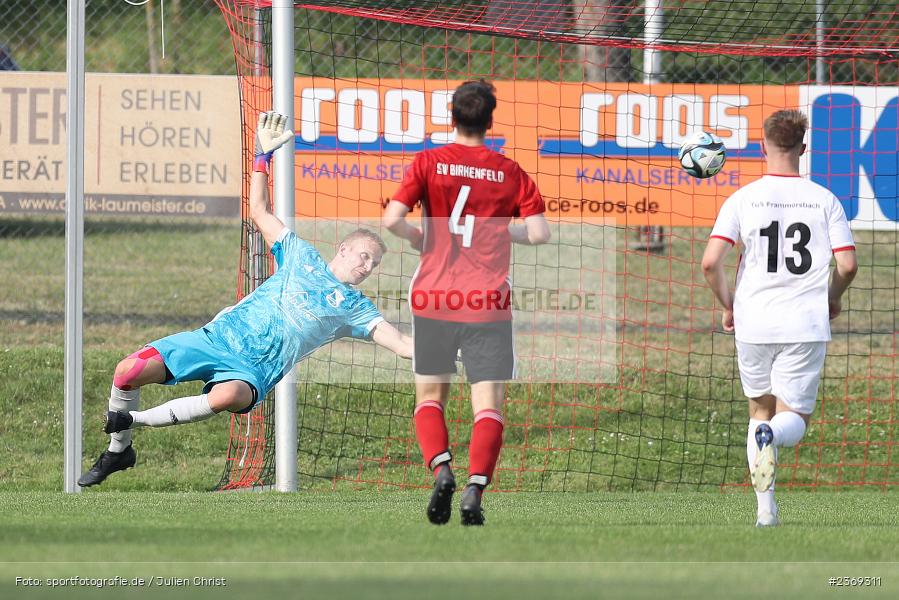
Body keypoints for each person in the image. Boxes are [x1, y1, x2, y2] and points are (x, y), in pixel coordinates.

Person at [79, 112, 412, 487]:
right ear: (343, 248)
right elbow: (259, 211)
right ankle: (118, 451)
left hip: (252, 372)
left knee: (230, 395)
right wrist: (261, 158)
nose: (368, 266)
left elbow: (400, 344)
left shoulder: (355, 308)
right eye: (364, 255)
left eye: (375, 263)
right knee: (128, 371)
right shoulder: (301, 256)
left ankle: (132, 420)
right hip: (215, 339)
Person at [383, 80, 550, 525]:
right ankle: (475, 488)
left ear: (451, 116)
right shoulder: (510, 170)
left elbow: (391, 219)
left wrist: (421, 236)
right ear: (490, 121)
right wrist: (502, 229)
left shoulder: (429, 162)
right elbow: (538, 233)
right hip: (487, 302)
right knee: (489, 405)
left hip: (434, 296)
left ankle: (441, 469)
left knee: (430, 397)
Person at [701, 109, 857, 527]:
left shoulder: (742, 198)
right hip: (804, 322)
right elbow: (847, 266)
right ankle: (776, 439)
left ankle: (766, 512)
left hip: (753, 321)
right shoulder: (825, 199)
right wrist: (832, 299)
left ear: (762, 146)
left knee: (758, 413)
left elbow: (709, 262)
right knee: (794, 421)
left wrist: (727, 305)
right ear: (803, 149)